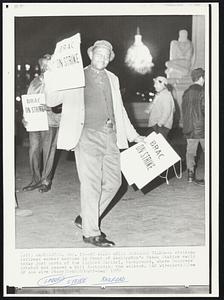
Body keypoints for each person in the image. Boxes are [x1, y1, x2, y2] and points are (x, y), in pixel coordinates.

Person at [45, 40, 144, 247]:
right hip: (87, 135)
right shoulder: (76, 75)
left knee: (115, 183)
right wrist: (53, 74)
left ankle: (85, 217)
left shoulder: (113, 78)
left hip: (111, 136)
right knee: (91, 185)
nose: (103, 58)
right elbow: (52, 101)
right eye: (99, 54)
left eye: (106, 56)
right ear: (91, 55)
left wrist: (134, 136)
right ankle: (91, 232)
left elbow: (120, 110)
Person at [22, 54, 61, 193]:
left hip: (51, 121)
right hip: (35, 121)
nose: (45, 67)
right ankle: (35, 179)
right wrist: (24, 117)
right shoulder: (34, 82)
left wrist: (52, 108)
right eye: (42, 65)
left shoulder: (60, 82)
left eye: (48, 65)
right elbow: (28, 100)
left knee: (48, 151)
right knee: (33, 150)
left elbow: (66, 103)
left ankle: (45, 181)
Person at [182, 68, 205, 185]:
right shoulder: (203, 91)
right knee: (209, 151)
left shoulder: (186, 92)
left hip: (189, 128)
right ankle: (212, 175)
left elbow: (184, 110)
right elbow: (205, 109)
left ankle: (190, 175)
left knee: (190, 152)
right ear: (201, 78)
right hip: (202, 128)